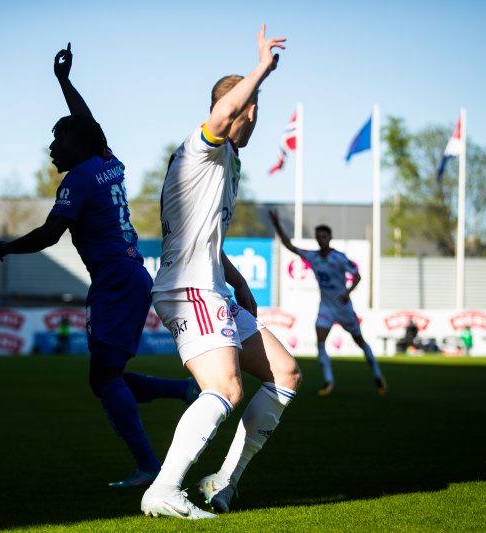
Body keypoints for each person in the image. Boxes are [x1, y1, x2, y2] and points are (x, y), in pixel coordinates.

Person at [0, 43, 198, 488]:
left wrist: (7, 246)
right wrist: (64, 82)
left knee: (103, 379)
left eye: (57, 139)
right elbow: (89, 128)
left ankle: (149, 467)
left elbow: (50, 234)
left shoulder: (80, 178)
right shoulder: (108, 163)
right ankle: (182, 392)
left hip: (115, 282)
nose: (51, 147)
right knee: (107, 377)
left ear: (77, 144)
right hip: (129, 276)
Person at [140, 25, 301, 520]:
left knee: (286, 373)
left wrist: (237, 278)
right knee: (226, 388)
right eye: (252, 110)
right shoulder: (202, 147)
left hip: (211, 286)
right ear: (241, 108)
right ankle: (164, 490)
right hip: (188, 290)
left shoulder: (228, 162)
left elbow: (206, 235)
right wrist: (262, 69)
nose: (253, 120)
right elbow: (224, 112)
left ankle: (221, 483)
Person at [268, 213, 387, 396]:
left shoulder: (338, 257)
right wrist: (277, 225)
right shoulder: (313, 256)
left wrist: (347, 292)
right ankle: (328, 381)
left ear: (330, 238)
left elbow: (357, 276)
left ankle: (378, 375)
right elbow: (289, 246)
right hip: (326, 308)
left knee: (360, 342)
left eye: (324, 236)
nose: (321, 239)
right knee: (321, 342)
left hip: (343, 308)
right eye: (318, 237)